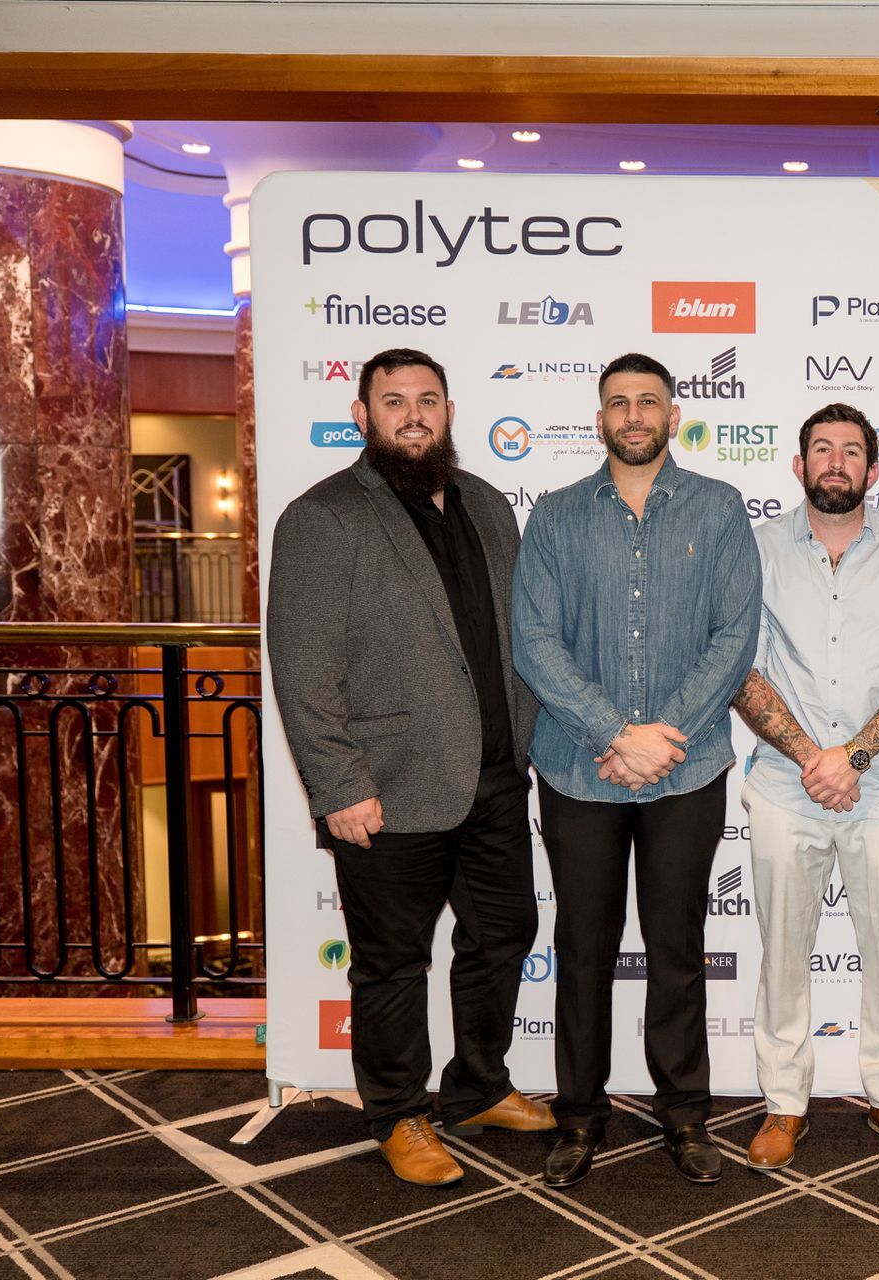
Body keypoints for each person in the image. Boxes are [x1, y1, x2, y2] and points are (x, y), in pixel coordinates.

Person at [267, 347, 552, 1188]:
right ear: (363, 416)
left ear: (451, 411)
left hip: (497, 778)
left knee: (504, 938)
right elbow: (302, 665)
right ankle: (397, 1113)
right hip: (386, 791)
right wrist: (339, 785)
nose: (413, 415)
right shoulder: (323, 517)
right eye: (394, 401)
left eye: (428, 400)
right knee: (393, 965)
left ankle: (476, 1085)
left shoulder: (489, 506)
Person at [510, 352, 760, 1189]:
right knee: (581, 949)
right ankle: (579, 1116)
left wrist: (662, 738)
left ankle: (684, 1115)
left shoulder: (721, 511)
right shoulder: (555, 515)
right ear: (600, 419)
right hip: (579, 768)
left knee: (677, 947)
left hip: (686, 770)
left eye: (648, 400)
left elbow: (734, 638)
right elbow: (534, 641)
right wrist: (616, 732)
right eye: (618, 402)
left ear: (673, 413)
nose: (633, 415)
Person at [732, 404, 879, 1171]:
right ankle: (783, 1105)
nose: (834, 462)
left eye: (850, 451)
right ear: (798, 465)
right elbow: (742, 669)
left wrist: (850, 757)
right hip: (787, 788)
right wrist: (811, 758)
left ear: (873, 470)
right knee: (783, 952)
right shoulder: (755, 548)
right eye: (820, 448)